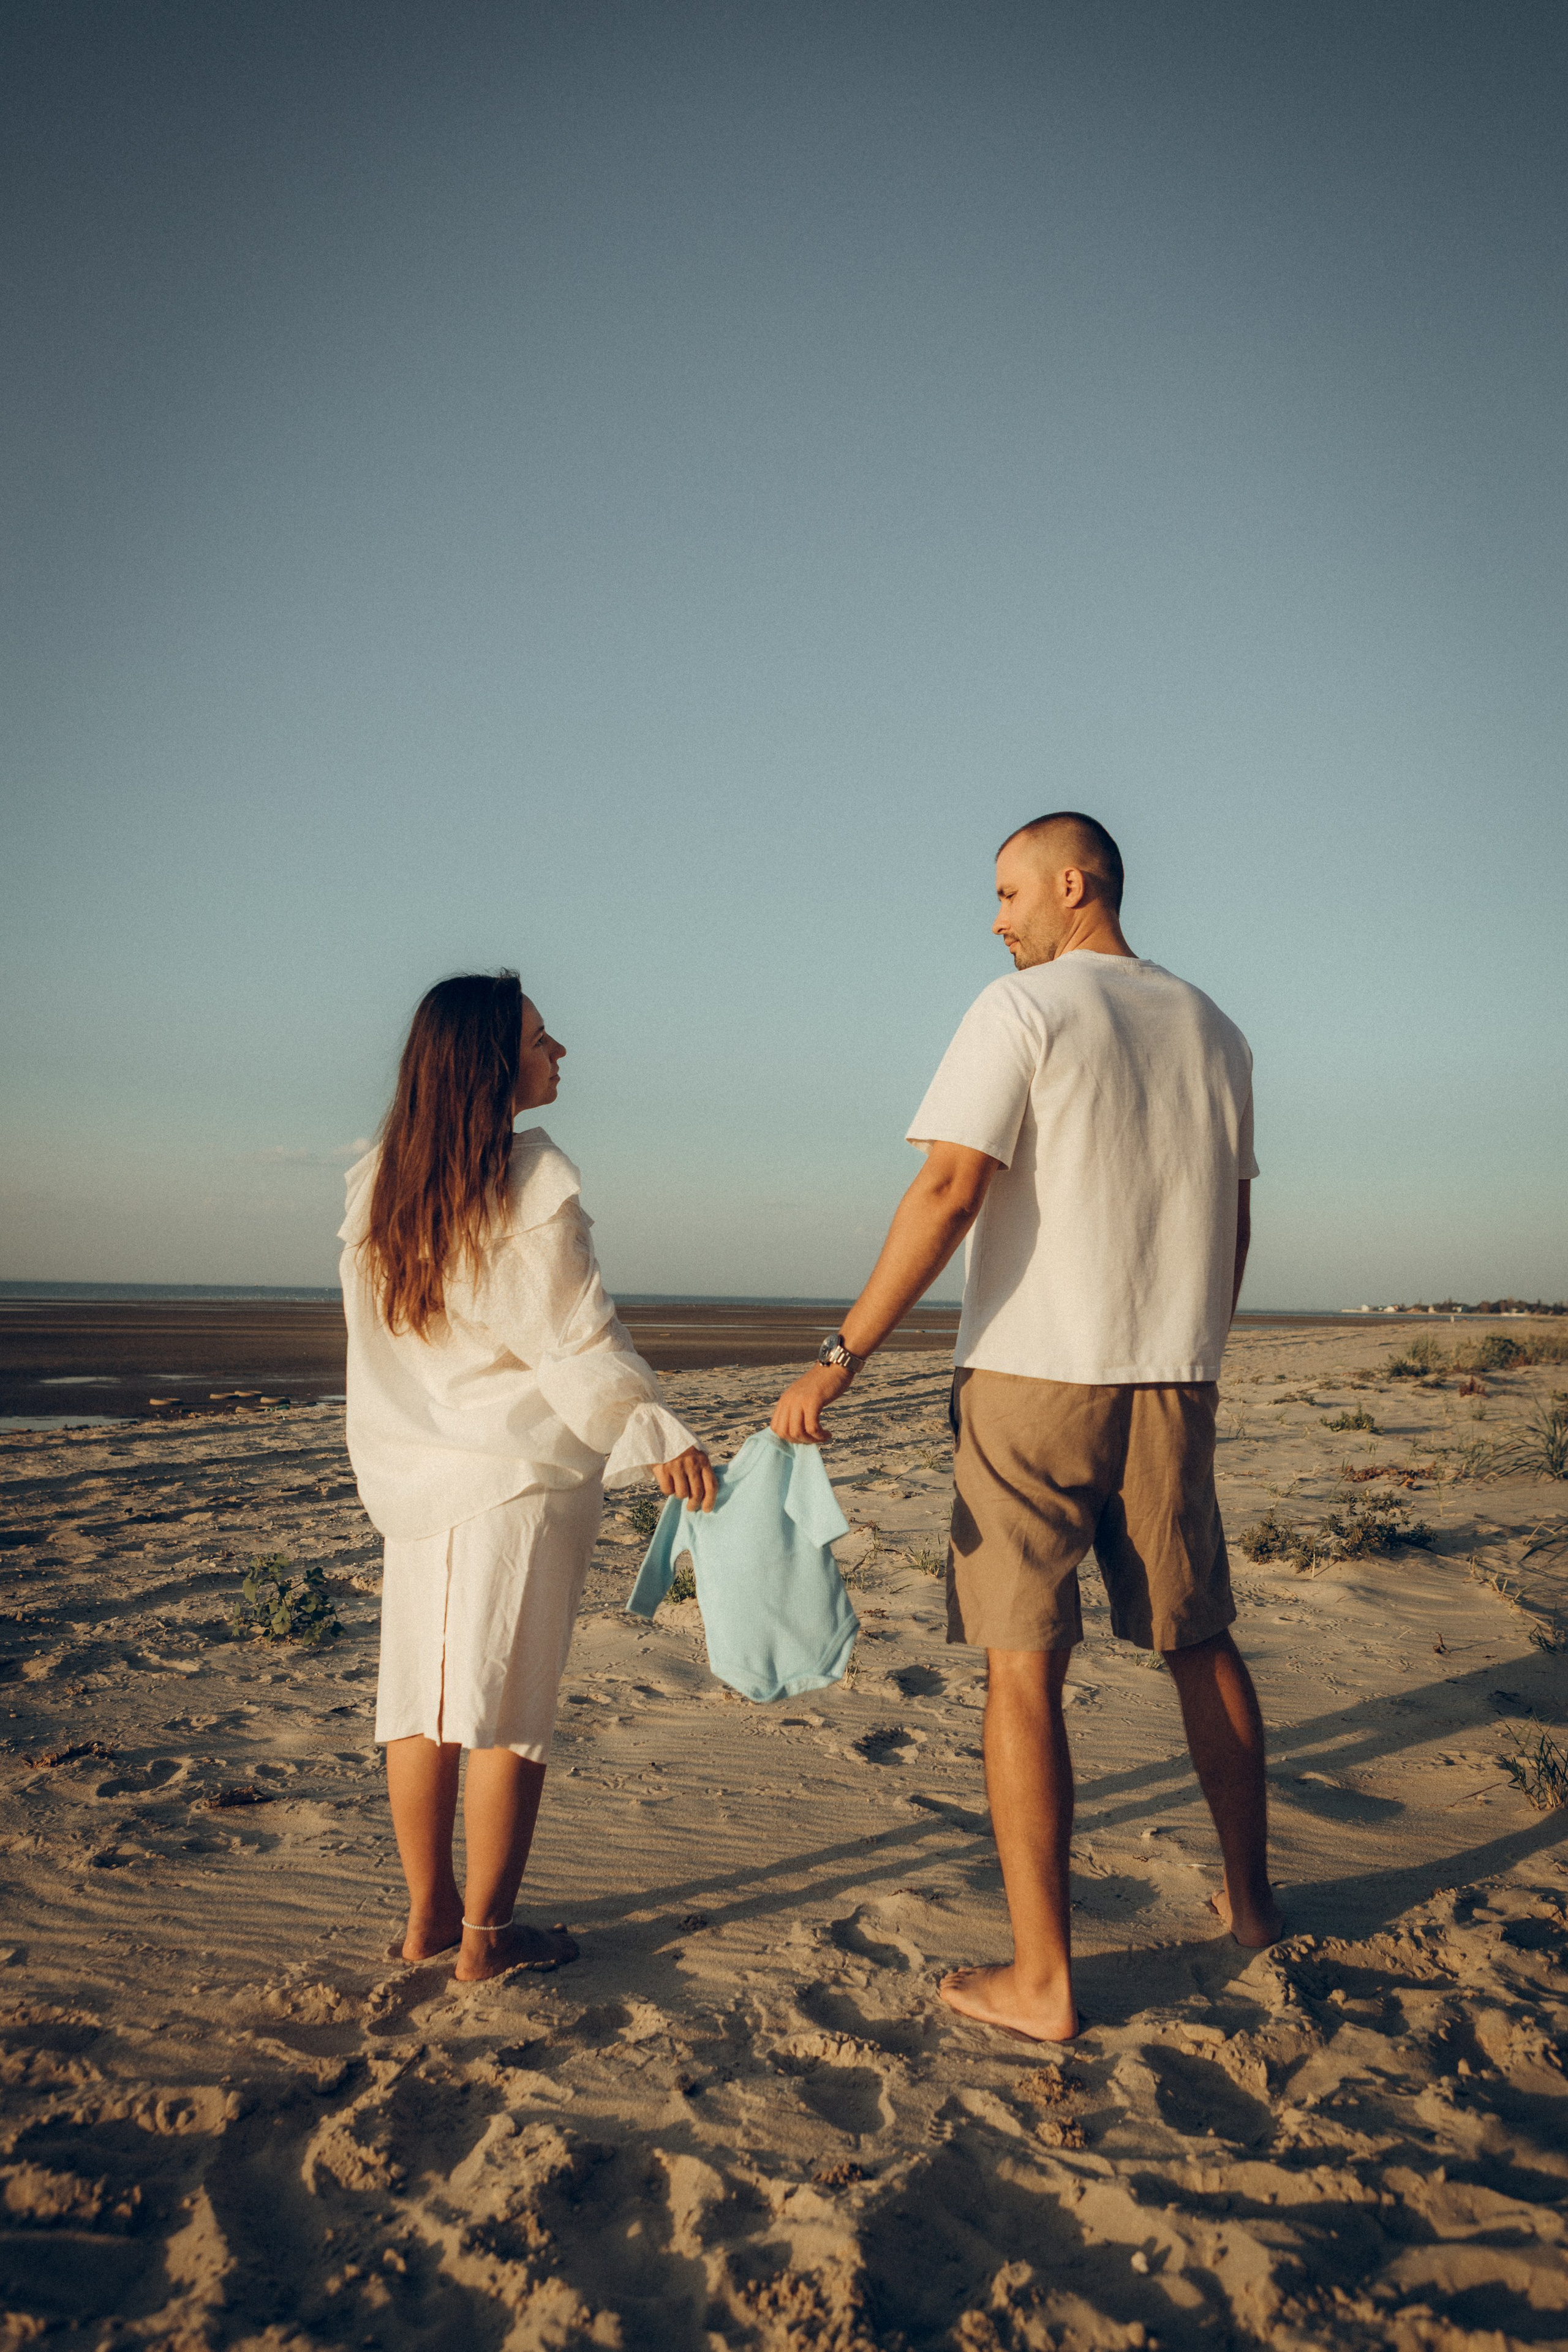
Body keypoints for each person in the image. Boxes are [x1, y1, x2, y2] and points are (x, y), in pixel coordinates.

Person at [771, 813, 1281, 2043]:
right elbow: (1232, 1220)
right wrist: (1195, 1351)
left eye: (1007, 893)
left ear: (1072, 884)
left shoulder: (1024, 1009)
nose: (994, 919)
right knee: (1198, 1637)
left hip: (1028, 1376)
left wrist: (839, 1357)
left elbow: (951, 1187)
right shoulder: (1215, 1028)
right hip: (1171, 1376)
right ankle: (1255, 1911)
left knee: (1021, 1666)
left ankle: (1042, 1979)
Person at [339, 972, 715, 1983]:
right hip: (515, 1481)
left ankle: (429, 1919)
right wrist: (653, 1431)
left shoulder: (381, 1186)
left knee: (421, 1707)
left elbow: (378, 1353)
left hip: (419, 1484)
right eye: (542, 1039)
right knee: (506, 1712)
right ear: (489, 1065)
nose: (560, 1053)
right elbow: (572, 1340)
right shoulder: (528, 1183)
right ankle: (486, 1942)